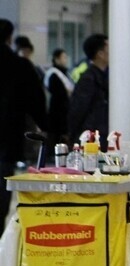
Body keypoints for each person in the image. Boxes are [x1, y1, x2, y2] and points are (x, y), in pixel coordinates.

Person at [0, 19, 47, 233]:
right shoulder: (19, 66)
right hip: (6, 138)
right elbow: (36, 102)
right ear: (10, 38)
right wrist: (50, 128)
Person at [68, 34, 109, 151]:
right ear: (100, 54)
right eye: (109, 47)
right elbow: (77, 111)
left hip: (98, 137)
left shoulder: (103, 76)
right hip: (91, 140)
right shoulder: (88, 79)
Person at [44, 48, 74, 149]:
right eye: (63, 57)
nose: (65, 60)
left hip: (64, 109)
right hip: (57, 110)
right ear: (56, 59)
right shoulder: (54, 74)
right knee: (57, 134)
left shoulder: (65, 73)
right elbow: (58, 93)